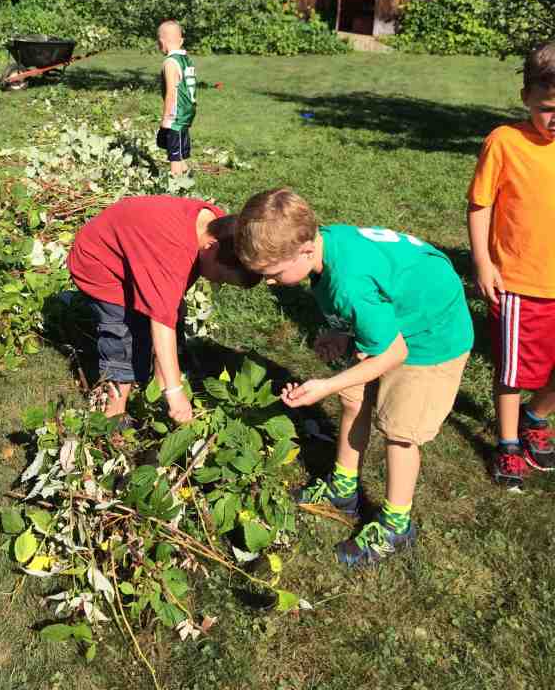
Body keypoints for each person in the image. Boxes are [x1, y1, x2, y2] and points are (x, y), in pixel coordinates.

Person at [235, 188, 473, 568]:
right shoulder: (327, 247)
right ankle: (344, 489)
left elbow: (393, 353)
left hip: (431, 335)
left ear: (305, 250)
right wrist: (342, 333)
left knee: (400, 431)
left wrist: (327, 385)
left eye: (274, 273)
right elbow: (374, 298)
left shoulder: (348, 284)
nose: (270, 283)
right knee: (353, 398)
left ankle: (396, 525)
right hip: (397, 316)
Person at [67, 195, 259, 423]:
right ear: (211, 247)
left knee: (171, 316)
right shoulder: (175, 250)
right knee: (124, 339)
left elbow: (167, 311)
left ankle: (157, 394)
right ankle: (110, 418)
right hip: (101, 264)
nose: (217, 282)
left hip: (136, 257)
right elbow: (161, 323)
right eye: (221, 277)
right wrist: (175, 392)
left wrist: (169, 384)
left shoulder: (217, 225)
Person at [467, 41, 555, 490]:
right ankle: (507, 442)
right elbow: (480, 205)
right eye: (548, 108)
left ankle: (535, 415)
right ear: (526, 97)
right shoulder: (505, 141)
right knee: (512, 371)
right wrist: (483, 262)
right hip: (520, 285)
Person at [156, 20, 196, 177]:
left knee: (173, 153)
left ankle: (176, 180)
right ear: (181, 41)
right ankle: (185, 170)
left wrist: (166, 118)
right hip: (187, 110)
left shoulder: (170, 63)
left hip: (176, 114)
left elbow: (171, 93)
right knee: (179, 147)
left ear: (161, 42)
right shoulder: (186, 60)